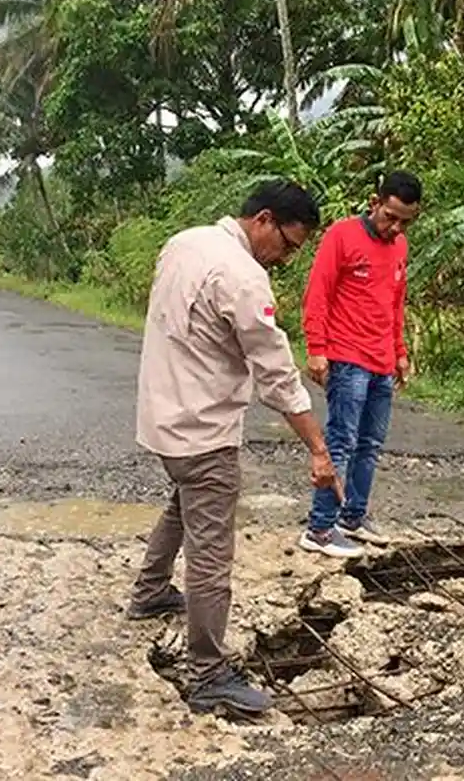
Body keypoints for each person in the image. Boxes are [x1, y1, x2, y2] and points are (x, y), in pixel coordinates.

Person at [126, 180, 341, 716]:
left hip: (163, 415)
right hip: (202, 427)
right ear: (263, 220)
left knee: (184, 503)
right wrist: (318, 447)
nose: (288, 258)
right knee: (212, 553)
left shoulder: (185, 241)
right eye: (289, 245)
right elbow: (276, 374)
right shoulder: (245, 277)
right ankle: (208, 674)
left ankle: (150, 591)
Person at [298, 171, 423, 558]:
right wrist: (316, 347)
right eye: (390, 216)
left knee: (370, 443)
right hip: (347, 358)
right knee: (342, 441)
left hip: (382, 360)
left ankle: (353, 516)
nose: (395, 227)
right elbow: (317, 293)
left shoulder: (399, 246)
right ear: (375, 202)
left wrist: (399, 351)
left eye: (405, 221)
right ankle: (319, 528)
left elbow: (394, 303)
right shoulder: (342, 236)